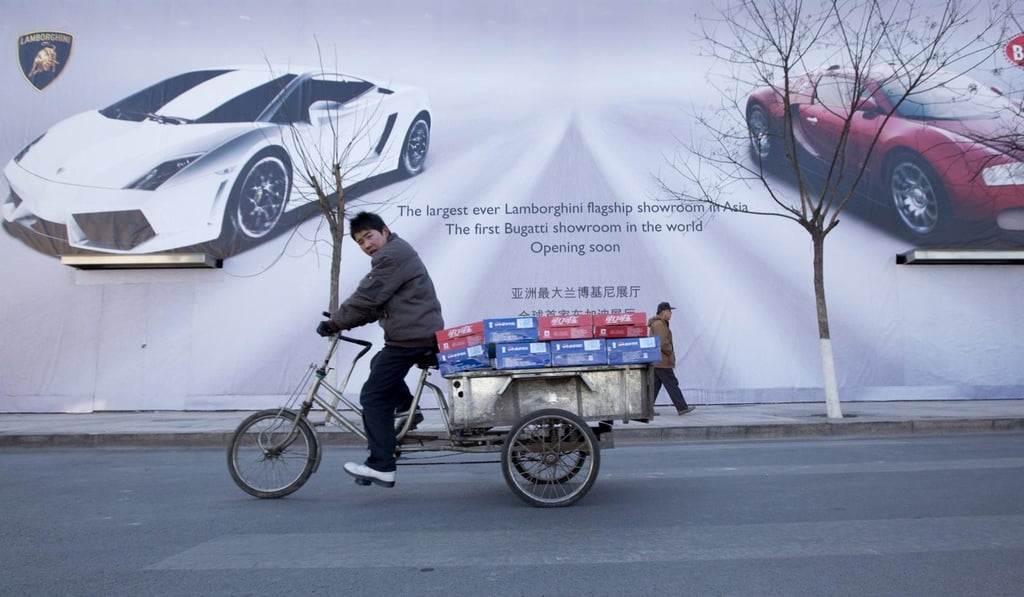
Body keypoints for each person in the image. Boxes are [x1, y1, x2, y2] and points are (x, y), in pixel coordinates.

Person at [316, 211, 444, 488]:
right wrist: (342, 322)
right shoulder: (395, 254)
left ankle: (381, 464)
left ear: (385, 231)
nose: (366, 245)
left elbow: (367, 297)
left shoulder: (391, 257)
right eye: (360, 242)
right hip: (414, 334)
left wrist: (337, 321)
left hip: (413, 337)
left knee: (373, 397)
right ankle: (409, 408)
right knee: (379, 364)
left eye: (369, 237)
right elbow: (374, 306)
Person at [647, 301, 695, 416]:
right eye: (669, 311)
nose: (671, 314)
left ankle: (646, 409)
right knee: (672, 384)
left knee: (654, 386)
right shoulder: (659, 324)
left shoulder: (659, 323)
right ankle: (682, 407)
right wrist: (669, 352)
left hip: (658, 361)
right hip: (662, 361)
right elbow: (662, 342)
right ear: (663, 312)